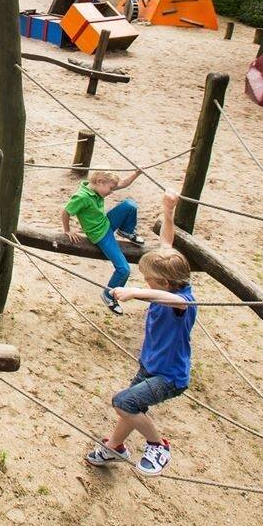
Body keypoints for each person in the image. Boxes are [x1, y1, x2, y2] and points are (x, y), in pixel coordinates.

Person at [85, 191, 194, 476]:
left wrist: (135, 292)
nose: (144, 281)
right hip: (150, 365)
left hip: (168, 377)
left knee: (124, 402)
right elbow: (166, 243)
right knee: (130, 406)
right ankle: (115, 447)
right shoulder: (169, 283)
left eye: (150, 280)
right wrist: (168, 210)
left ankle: (158, 445)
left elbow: (177, 302)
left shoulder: (183, 302)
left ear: (167, 283)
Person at [62, 169, 142, 313]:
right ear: (99, 182)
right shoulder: (82, 197)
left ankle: (126, 231)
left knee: (130, 205)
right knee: (124, 269)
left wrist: (137, 173)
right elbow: (66, 211)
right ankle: (108, 295)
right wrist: (68, 230)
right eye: (110, 189)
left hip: (106, 222)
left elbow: (123, 184)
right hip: (100, 235)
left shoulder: (97, 188)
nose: (111, 192)